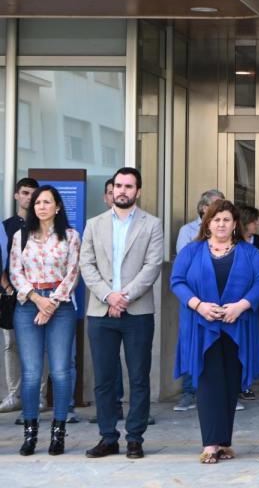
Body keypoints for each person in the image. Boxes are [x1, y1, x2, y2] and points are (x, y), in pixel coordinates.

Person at [171, 199, 259, 464]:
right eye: (216, 219)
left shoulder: (249, 253)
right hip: (203, 327)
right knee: (209, 383)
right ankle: (210, 444)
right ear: (207, 223)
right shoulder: (192, 251)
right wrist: (199, 305)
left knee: (230, 385)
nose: (221, 224)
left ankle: (225, 442)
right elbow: (177, 282)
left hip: (238, 326)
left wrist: (242, 305)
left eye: (226, 219)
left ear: (235, 223)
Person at [79, 168, 163, 460]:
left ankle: (135, 438)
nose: (122, 190)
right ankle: (108, 437)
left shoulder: (152, 224)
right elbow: (86, 265)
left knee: (139, 377)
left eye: (129, 186)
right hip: (101, 311)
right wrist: (108, 295)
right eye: (118, 186)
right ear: (111, 190)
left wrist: (123, 297)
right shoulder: (94, 224)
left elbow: (152, 267)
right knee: (104, 378)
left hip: (137, 311)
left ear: (137, 191)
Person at [9, 185, 81, 456]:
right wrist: (38, 300)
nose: (41, 206)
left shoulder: (71, 236)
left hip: (60, 306)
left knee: (61, 371)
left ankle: (58, 432)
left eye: (47, 202)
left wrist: (51, 304)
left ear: (58, 207)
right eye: (38, 202)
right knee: (30, 373)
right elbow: (15, 272)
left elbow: (74, 272)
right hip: (28, 305)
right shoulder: (21, 235)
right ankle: (30, 434)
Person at [173, 188, 225, 413]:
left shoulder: (230, 231)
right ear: (204, 208)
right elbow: (183, 266)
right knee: (191, 343)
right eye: (216, 205)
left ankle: (225, 392)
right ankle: (189, 392)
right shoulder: (188, 231)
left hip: (223, 299)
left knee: (220, 347)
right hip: (195, 300)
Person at [1, 178, 38, 415]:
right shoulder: (6, 226)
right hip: (10, 295)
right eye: (25, 193)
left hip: (37, 295)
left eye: (33, 194)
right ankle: (14, 395)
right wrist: (6, 287)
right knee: (10, 345)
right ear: (16, 195)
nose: (29, 198)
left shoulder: (43, 223)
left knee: (40, 345)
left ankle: (40, 397)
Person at [236, 204, 259, 403]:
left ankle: (246, 384)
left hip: (253, 300)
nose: (257, 224)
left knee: (249, 342)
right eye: (254, 221)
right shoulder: (233, 242)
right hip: (232, 300)